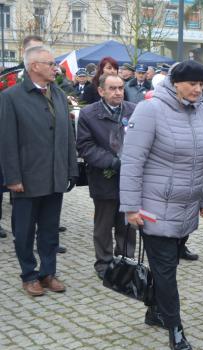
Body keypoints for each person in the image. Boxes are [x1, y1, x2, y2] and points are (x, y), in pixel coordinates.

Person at [120, 60, 203, 350]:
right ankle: (175, 329)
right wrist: (130, 207)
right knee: (166, 271)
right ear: (175, 83)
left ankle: (155, 310)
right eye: (192, 84)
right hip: (153, 207)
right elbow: (132, 161)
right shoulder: (150, 109)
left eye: (201, 85)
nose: (197, 90)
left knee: (168, 266)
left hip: (186, 208)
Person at [0, 45, 78, 296]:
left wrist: (70, 169)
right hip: (26, 178)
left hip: (54, 176)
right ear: (34, 66)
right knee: (23, 231)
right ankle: (29, 275)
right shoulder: (11, 97)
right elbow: (7, 141)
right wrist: (12, 178)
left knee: (49, 229)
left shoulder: (57, 94)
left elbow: (67, 135)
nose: (55, 67)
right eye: (50, 63)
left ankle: (47, 273)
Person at [76, 74, 137, 280]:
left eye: (120, 88)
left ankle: (125, 260)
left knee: (127, 223)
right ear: (101, 91)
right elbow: (85, 146)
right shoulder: (89, 114)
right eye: (112, 88)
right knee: (104, 223)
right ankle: (104, 262)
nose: (118, 92)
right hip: (104, 177)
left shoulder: (133, 109)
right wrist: (112, 161)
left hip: (130, 179)